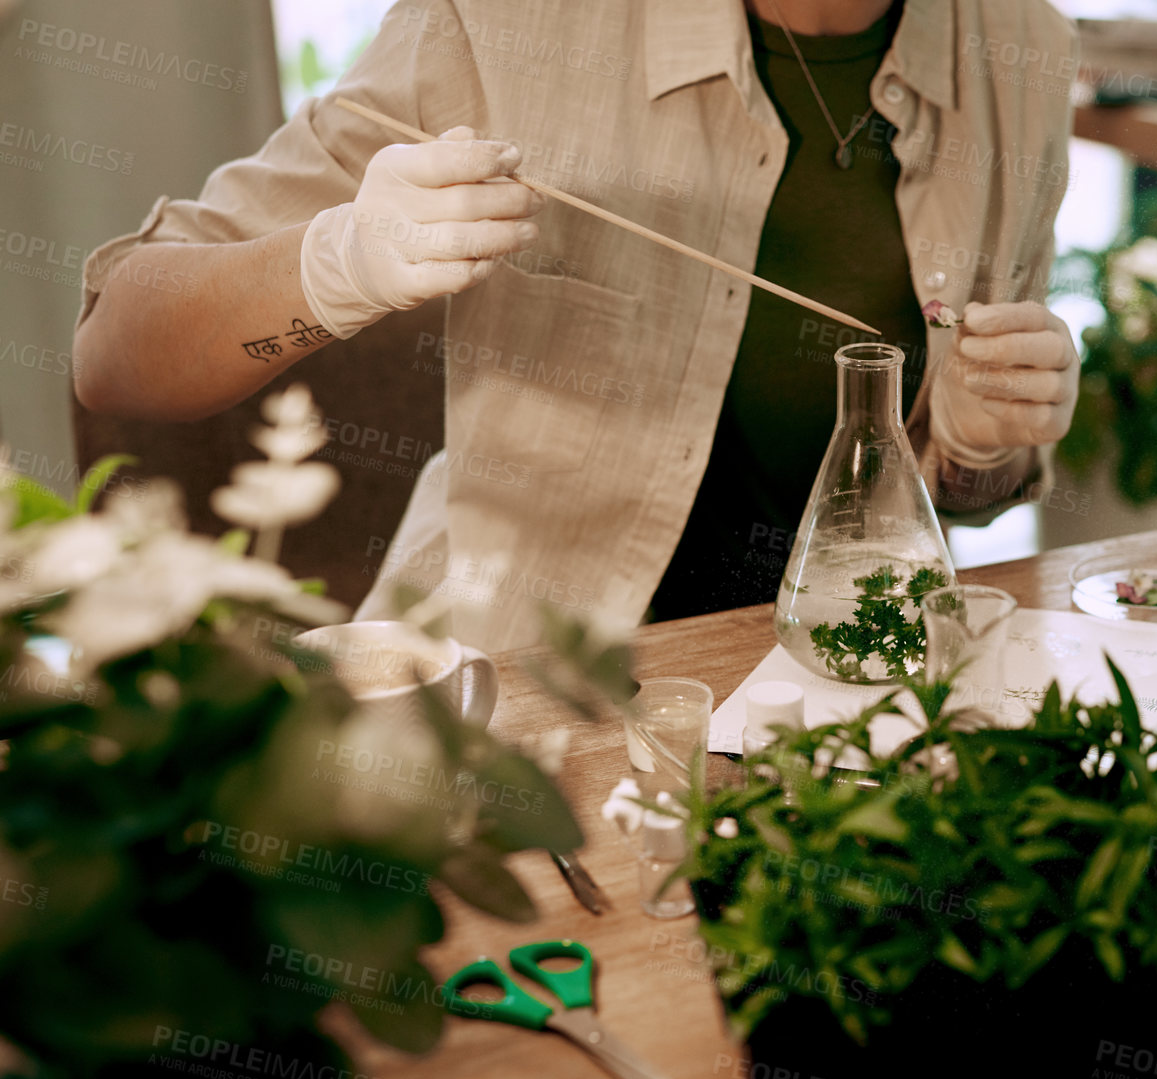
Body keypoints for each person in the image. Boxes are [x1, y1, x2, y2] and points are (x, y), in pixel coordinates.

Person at [73, 0, 1081, 652]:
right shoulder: (502, 20)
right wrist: (335, 264)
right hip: (521, 685)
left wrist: (979, 445)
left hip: (851, 672)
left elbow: (962, 499)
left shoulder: (1021, 49)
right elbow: (114, 353)